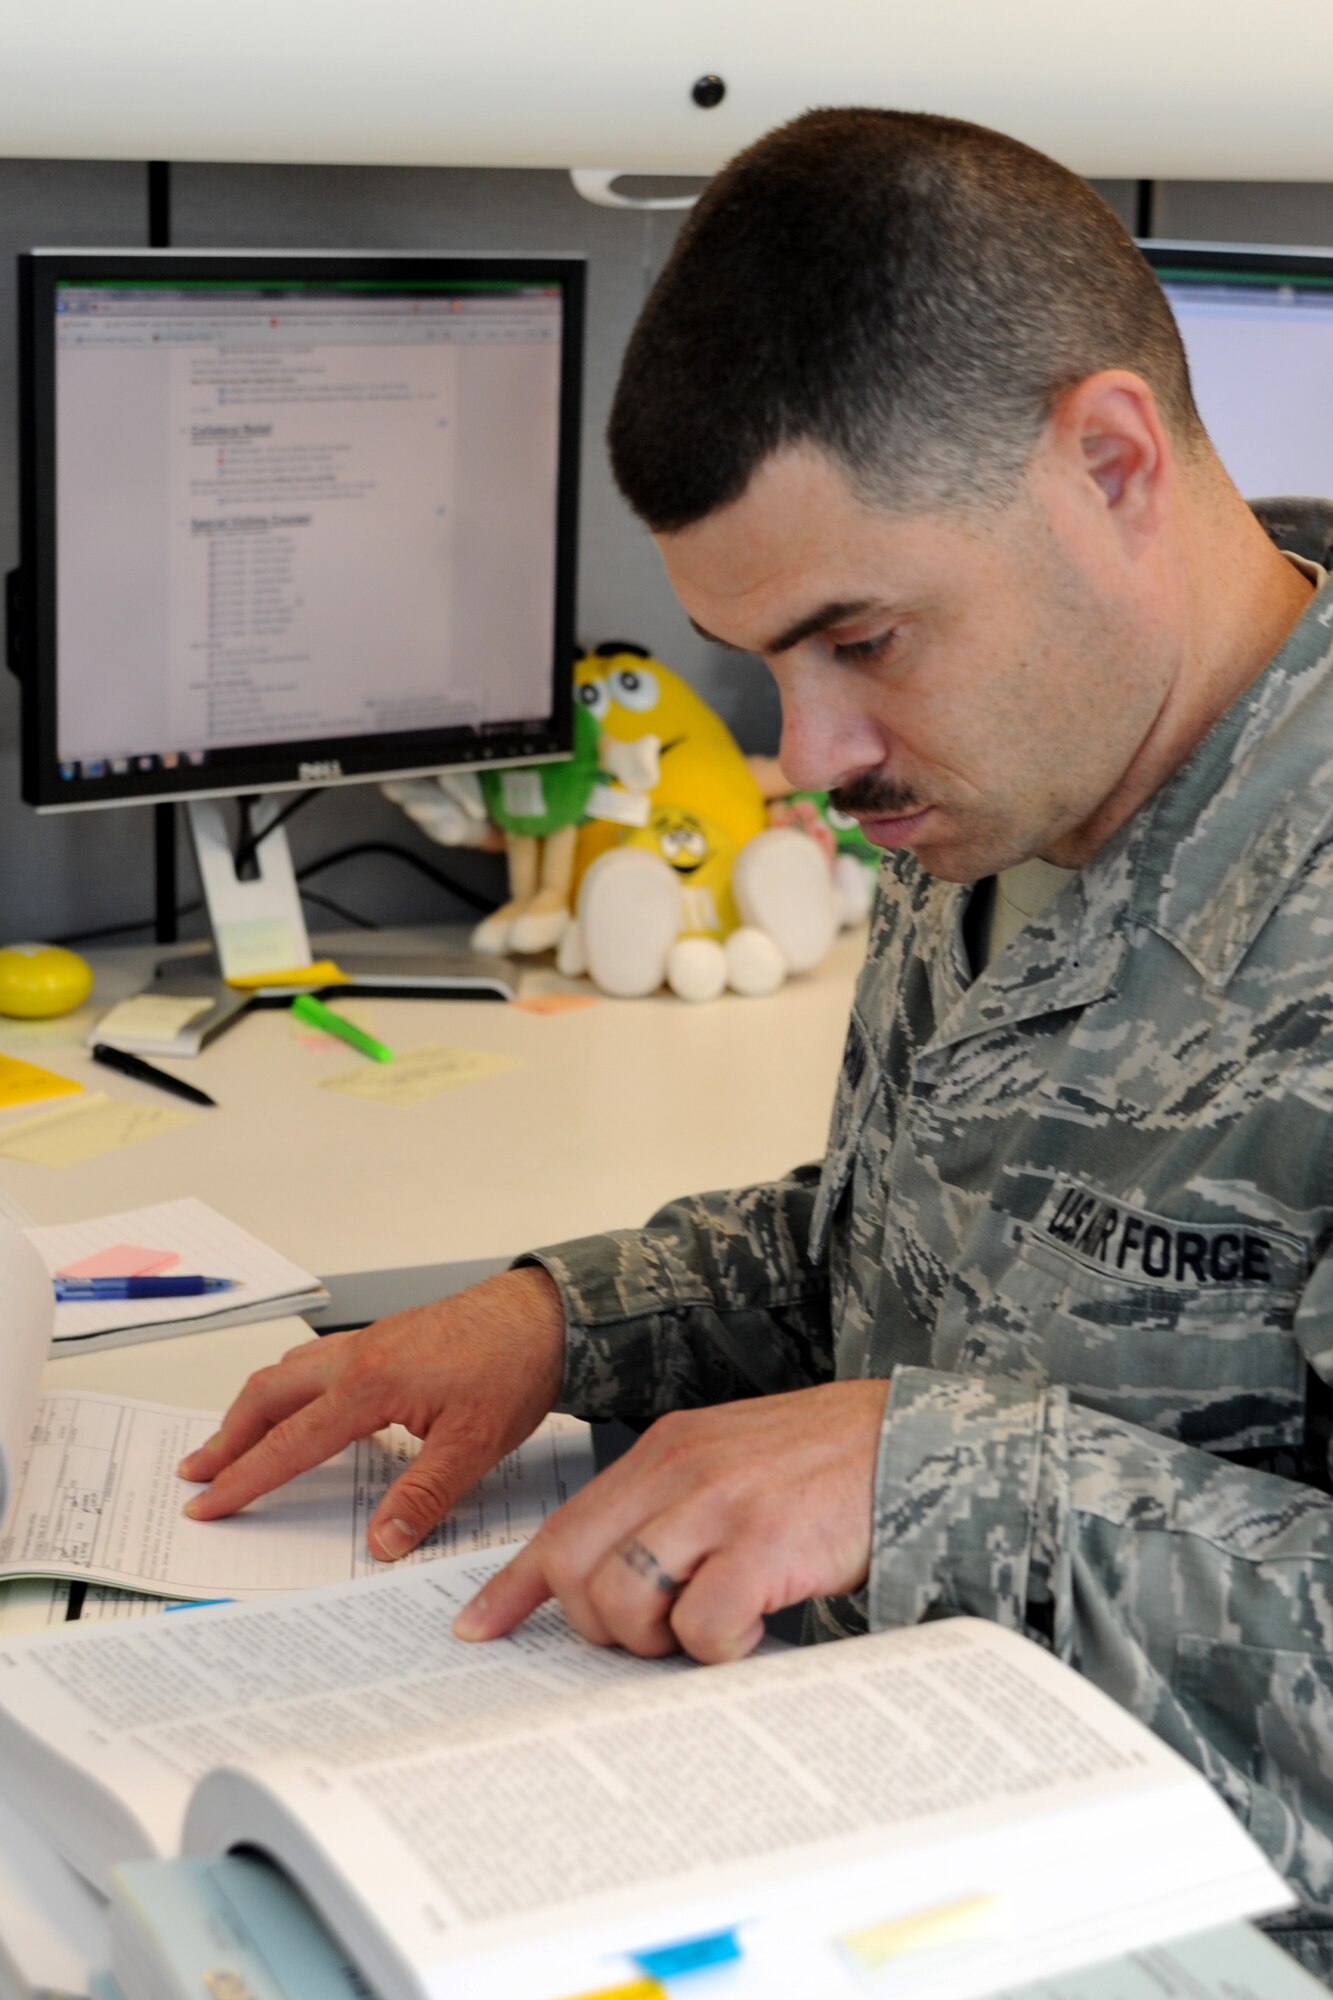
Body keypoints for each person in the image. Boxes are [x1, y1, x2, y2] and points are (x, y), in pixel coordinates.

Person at [179, 110, 1333, 1974]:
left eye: (859, 639)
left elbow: (938, 1418)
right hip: (857, 1814)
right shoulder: (1009, 778)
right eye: (761, 667)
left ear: (1112, 463)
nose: (804, 757)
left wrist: (921, 1478)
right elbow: (903, 1255)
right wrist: (563, 1317)